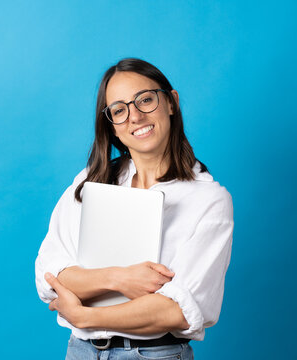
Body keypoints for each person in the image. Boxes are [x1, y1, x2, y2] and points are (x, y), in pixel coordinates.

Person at [35, 58, 234, 360]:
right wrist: (119, 278)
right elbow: (50, 274)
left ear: (171, 102)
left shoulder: (209, 200)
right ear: (112, 127)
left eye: (145, 100)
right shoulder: (91, 182)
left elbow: (177, 309)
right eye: (119, 110)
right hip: (81, 352)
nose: (135, 116)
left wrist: (85, 315)